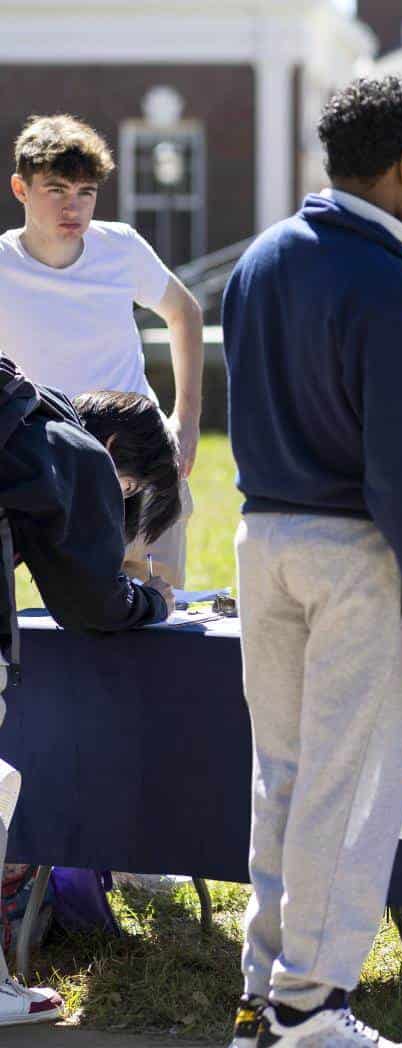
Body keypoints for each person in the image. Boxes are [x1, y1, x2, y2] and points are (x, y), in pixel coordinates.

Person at [222, 76, 402, 1048]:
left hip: (263, 535)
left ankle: (264, 990)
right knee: (349, 781)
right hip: (352, 551)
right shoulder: (388, 282)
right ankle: (309, 1004)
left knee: (281, 775)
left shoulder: (258, 259)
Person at [0, 358, 173, 1027]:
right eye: (126, 489)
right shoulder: (72, 453)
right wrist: (151, 602)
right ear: (111, 456)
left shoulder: (22, 412)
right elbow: (92, 604)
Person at [0, 114, 204, 587]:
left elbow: (185, 313)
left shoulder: (121, 248)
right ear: (20, 189)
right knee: (48, 631)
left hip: (140, 459)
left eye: (85, 193)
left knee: (155, 617)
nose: (73, 207)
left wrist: (187, 420)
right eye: (56, 190)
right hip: (40, 465)